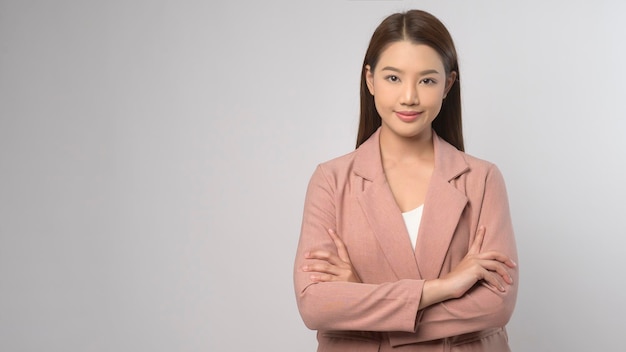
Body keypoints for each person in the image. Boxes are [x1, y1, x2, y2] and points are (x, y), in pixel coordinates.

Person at [293, 9, 519, 352]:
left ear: (448, 85)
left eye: (427, 80)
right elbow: (315, 306)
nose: (409, 96)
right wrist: (444, 287)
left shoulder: (482, 179)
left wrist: (363, 299)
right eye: (393, 78)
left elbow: (496, 304)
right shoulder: (331, 180)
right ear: (370, 80)